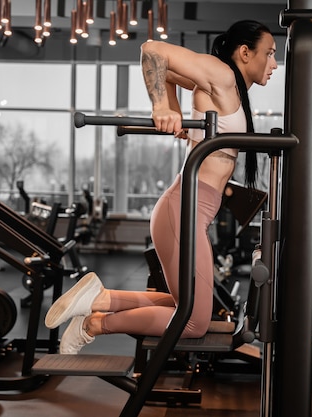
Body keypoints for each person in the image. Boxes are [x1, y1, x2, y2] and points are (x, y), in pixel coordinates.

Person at [44, 20, 278, 354]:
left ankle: (101, 298)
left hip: (187, 210)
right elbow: (153, 51)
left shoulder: (226, 87)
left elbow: (167, 73)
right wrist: (161, 107)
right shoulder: (222, 74)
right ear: (244, 52)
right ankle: (93, 324)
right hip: (183, 211)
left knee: (183, 300)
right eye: (268, 54)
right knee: (194, 322)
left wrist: (176, 108)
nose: (274, 63)